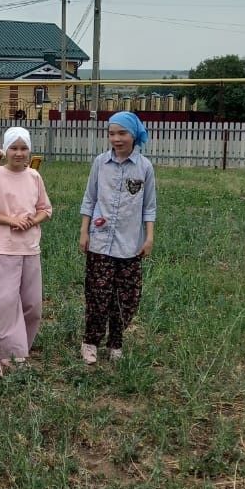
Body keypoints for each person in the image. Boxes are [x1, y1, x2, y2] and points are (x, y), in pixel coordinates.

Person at [0, 125, 52, 378]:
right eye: (14, 148)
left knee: (32, 305)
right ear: (5, 150)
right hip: (3, 248)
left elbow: (45, 209)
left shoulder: (34, 177)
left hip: (30, 248)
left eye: (23, 148)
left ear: (30, 150)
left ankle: (19, 352)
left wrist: (33, 220)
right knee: (3, 303)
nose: (19, 153)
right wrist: (10, 220)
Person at [78, 111, 156, 364]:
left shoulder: (145, 167)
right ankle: (90, 342)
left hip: (130, 245)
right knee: (97, 295)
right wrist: (84, 231)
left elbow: (149, 206)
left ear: (134, 135)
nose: (116, 139)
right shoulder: (100, 163)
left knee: (127, 297)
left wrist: (149, 238)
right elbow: (90, 198)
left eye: (122, 133)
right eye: (112, 134)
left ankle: (116, 343)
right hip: (100, 241)